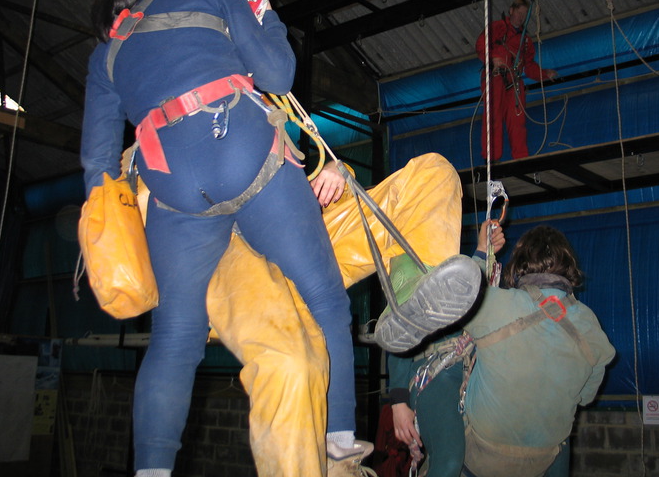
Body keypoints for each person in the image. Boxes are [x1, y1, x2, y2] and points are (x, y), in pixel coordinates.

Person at [81, 0, 367, 477]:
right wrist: (264, 13)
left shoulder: (107, 54)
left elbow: (97, 167)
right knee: (326, 299)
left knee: (175, 337)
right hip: (245, 157)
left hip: (175, 195)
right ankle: (338, 437)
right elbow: (278, 73)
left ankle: (152, 469)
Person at [132, 151, 478, 476]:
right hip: (237, 260)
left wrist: (337, 171)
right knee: (293, 365)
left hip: (304, 236)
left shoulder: (259, 106)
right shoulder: (162, 133)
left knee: (433, 172)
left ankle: (410, 287)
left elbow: (294, 178)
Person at [461, 225, 616, 477]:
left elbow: (458, 296)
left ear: (519, 263)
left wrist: (482, 251)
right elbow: (585, 397)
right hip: (542, 461)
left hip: (480, 457)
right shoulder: (589, 324)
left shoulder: (497, 305)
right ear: (568, 265)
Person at [387, 221, 505, 477]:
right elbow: (397, 330)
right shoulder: (404, 258)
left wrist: (486, 251)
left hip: (470, 365)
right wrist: (398, 402)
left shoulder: (446, 255)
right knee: (450, 462)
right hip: (434, 372)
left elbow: (464, 295)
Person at [475, 0, 558, 161]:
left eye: (524, 14)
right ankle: (491, 160)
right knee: (494, 118)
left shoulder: (525, 40)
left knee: (517, 121)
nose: (521, 17)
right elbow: (481, 45)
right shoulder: (499, 27)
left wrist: (544, 74)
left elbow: (529, 65)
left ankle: (521, 159)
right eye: (519, 12)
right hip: (496, 76)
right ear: (511, 10)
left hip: (514, 82)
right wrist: (492, 59)